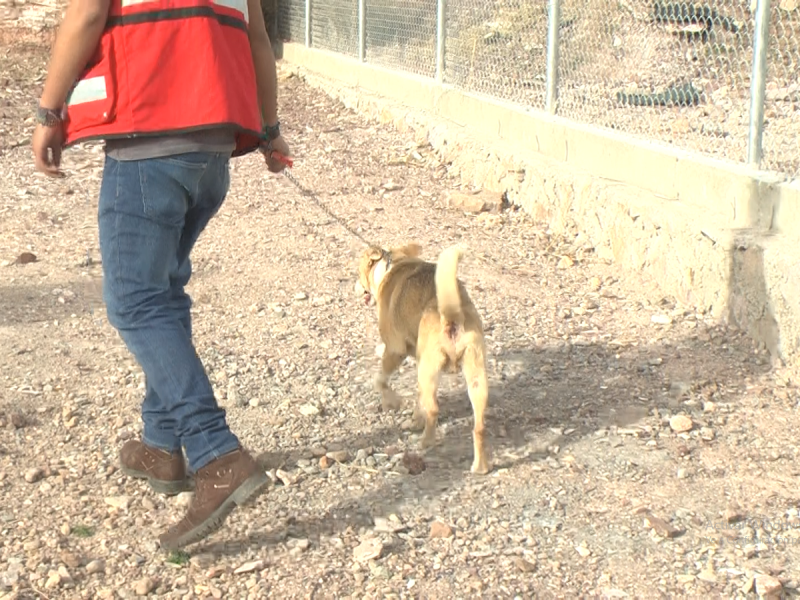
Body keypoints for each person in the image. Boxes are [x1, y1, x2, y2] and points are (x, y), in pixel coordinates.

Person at [31, 0, 291, 551]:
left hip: (149, 143)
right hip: (212, 152)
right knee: (163, 295)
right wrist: (269, 131)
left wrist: (49, 113)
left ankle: (215, 453)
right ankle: (161, 446)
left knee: (134, 302)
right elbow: (258, 41)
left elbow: (84, 18)